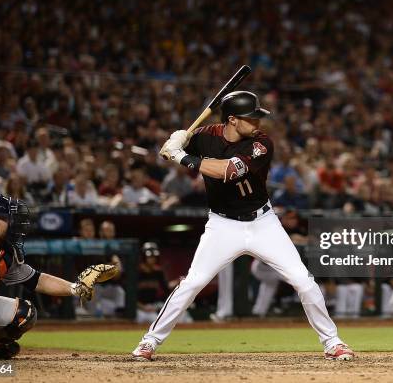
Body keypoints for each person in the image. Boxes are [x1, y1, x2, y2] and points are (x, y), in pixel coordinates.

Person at [132, 91, 354, 361]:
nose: (258, 123)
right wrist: (175, 141)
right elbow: (167, 153)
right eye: (252, 118)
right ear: (233, 119)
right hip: (222, 225)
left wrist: (182, 157)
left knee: (303, 282)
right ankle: (149, 342)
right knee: (192, 283)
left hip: (263, 223)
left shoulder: (261, 143)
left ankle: (333, 342)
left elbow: (227, 171)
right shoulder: (204, 136)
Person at [0, 193, 117, 360]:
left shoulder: (5, 253)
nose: (13, 224)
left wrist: (76, 288)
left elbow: (37, 280)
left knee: (24, 314)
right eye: (7, 218)